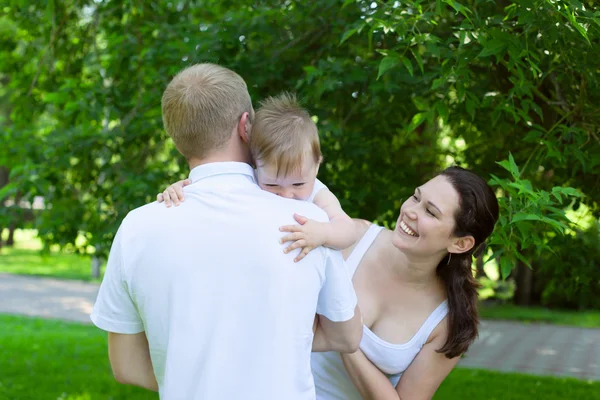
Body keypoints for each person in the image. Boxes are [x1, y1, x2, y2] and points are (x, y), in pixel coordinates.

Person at [90, 63, 362, 400]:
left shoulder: (137, 226)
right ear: (246, 125)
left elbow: (126, 366)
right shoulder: (307, 221)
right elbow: (347, 337)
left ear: (176, 140)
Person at [310, 166, 499, 399]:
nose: (410, 211)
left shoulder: (447, 323)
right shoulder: (350, 239)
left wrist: (347, 342)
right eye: (416, 197)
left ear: (460, 244)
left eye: (430, 212)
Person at [158, 93, 359, 262]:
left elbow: (348, 229)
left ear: (316, 165)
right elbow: (210, 186)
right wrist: (180, 188)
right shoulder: (250, 180)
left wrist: (323, 233)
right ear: (255, 165)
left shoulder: (318, 192)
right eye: (272, 184)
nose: (287, 194)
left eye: (298, 183)